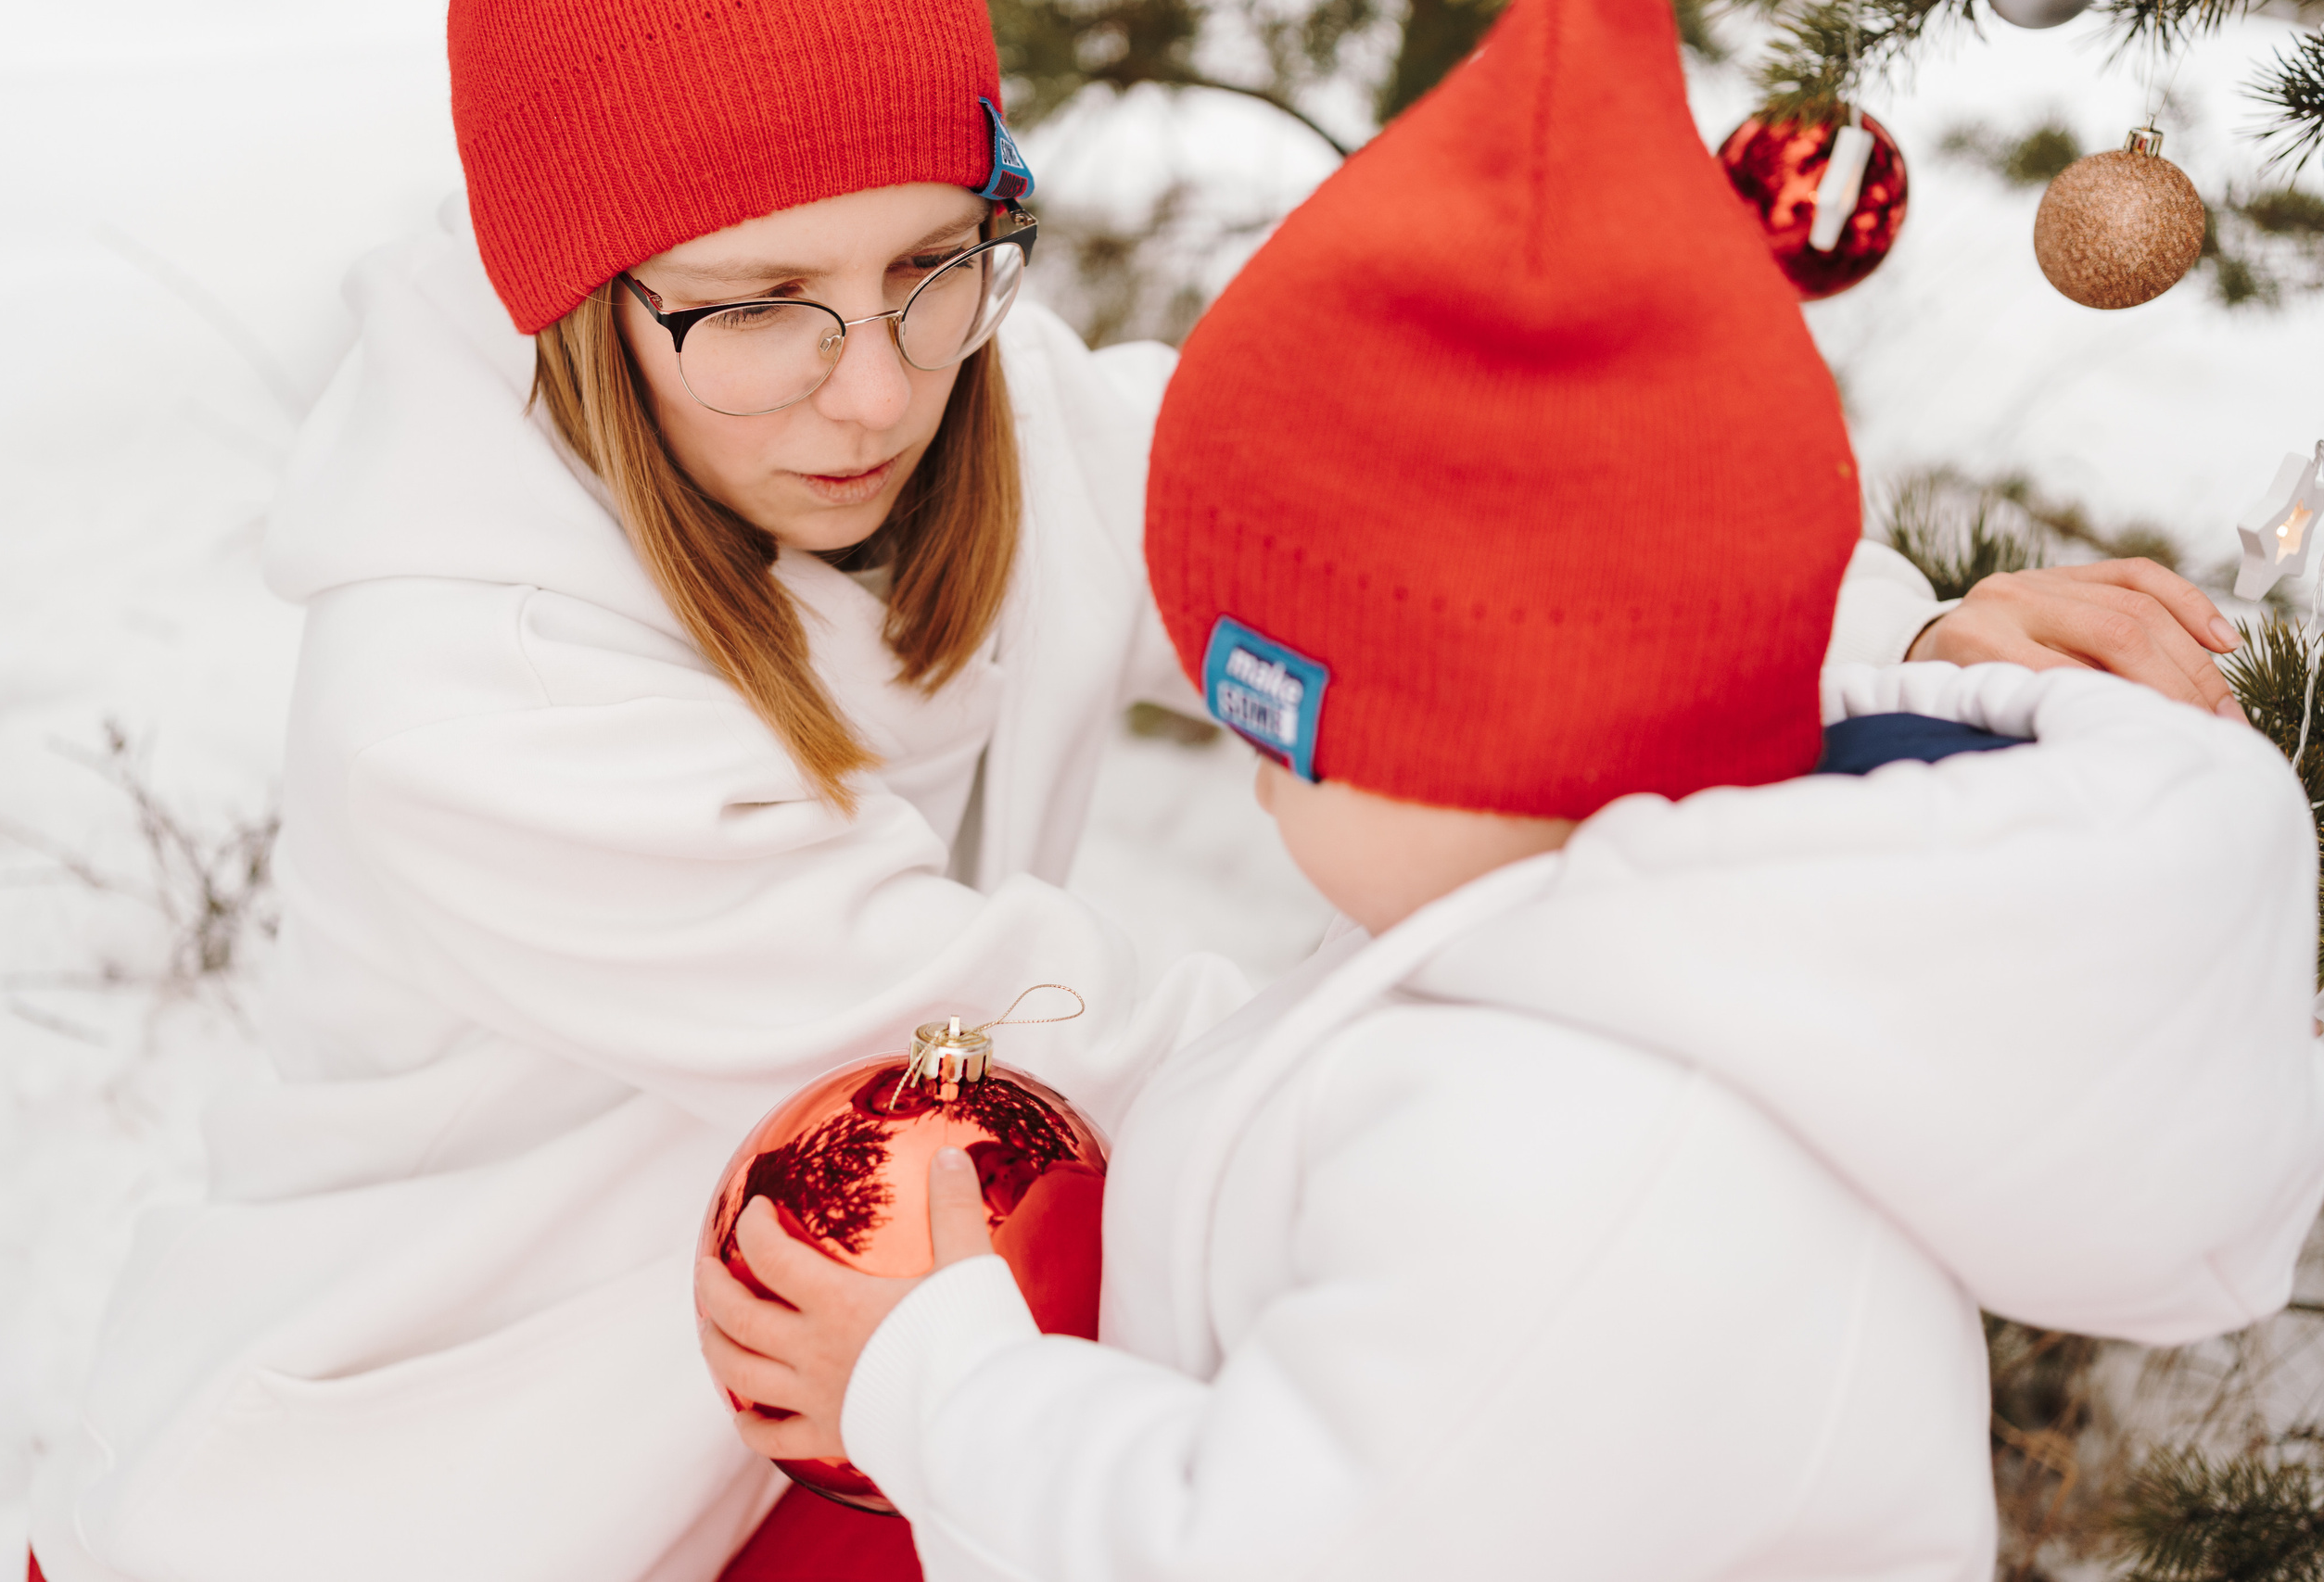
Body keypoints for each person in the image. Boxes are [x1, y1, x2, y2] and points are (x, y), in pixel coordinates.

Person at [25, 0, 2259, 1577]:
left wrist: (1877, 646)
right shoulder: (466, 695)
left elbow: (1405, 516)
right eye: (763, 304)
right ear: (583, 302)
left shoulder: (1006, 442)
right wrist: (1598, 1077)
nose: (873, 381)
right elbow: (1029, 1031)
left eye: (930, 263)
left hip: (835, 1388)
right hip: (442, 1478)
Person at [692, 4, 2324, 1577]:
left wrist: (936, 1387)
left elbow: (1263, 1552)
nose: (1259, 795)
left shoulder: (1576, 1138)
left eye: (1277, 733)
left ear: (1484, 738)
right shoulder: (1609, 951)